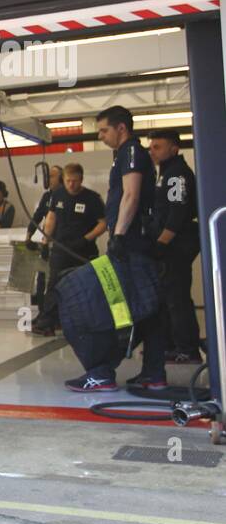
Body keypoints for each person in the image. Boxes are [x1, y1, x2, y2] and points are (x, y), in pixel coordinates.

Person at [64, 105, 164, 392]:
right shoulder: (126, 154)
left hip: (131, 244)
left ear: (122, 128)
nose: (101, 135)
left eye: (105, 130)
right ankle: (153, 372)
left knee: (118, 308)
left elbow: (131, 195)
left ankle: (103, 373)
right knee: (150, 308)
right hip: (135, 243)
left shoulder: (131, 151)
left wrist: (118, 236)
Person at [32, 163, 105, 336]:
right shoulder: (57, 194)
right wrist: (45, 239)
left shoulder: (92, 198)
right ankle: (47, 323)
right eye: (67, 181)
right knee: (54, 286)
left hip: (83, 250)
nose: (71, 185)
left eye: (75, 181)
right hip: (61, 247)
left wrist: (86, 239)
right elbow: (51, 217)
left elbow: (103, 223)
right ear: (63, 180)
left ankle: (89, 324)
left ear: (81, 179)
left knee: (86, 287)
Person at [148, 130, 201, 363]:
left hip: (176, 244)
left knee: (177, 297)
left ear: (174, 148)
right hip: (170, 244)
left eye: (157, 146)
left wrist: (162, 243)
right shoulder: (165, 173)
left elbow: (177, 213)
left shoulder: (177, 175)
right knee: (169, 296)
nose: (152, 151)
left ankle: (187, 349)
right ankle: (173, 344)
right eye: (151, 147)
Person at [26, 165, 63, 322]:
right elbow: (37, 216)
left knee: (57, 282)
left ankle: (58, 316)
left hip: (61, 246)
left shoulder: (65, 196)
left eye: (53, 176)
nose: (49, 179)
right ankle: (43, 314)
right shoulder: (46, 197)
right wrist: (28, 236)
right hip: (46, 245)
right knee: (41, 280)